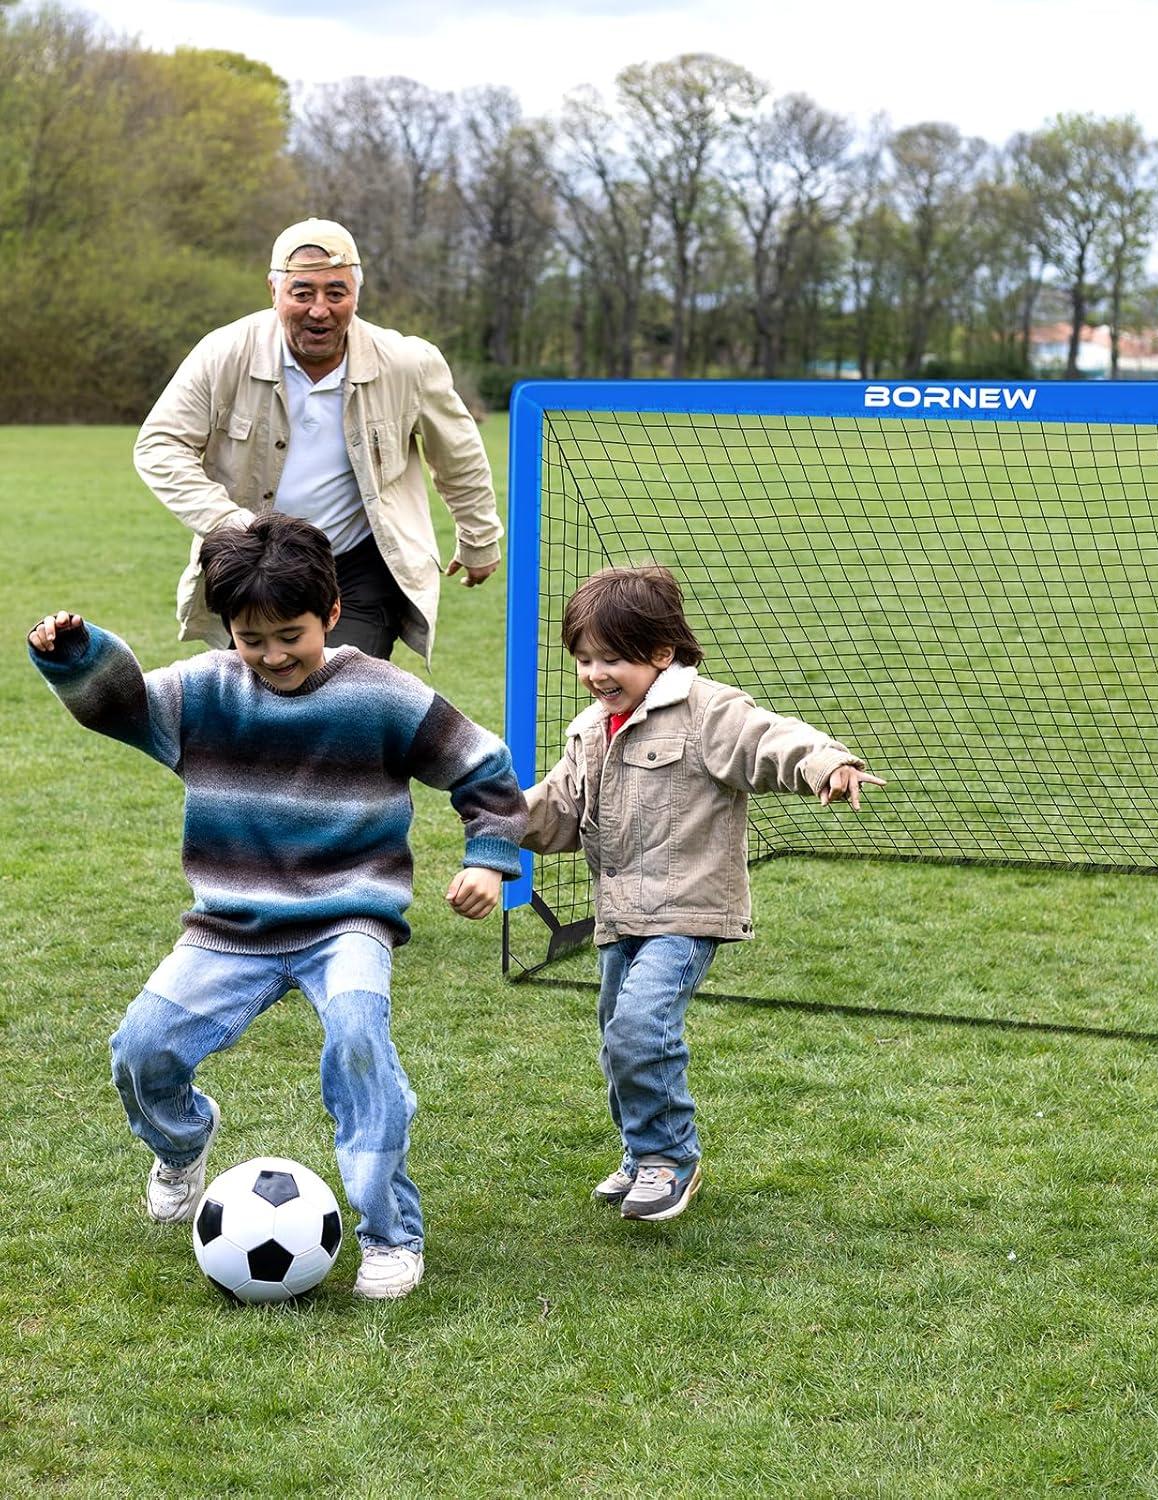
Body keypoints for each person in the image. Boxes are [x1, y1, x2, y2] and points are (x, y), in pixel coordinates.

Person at [27, 514, 525, 1300]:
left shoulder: (383, 695)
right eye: (250, 638)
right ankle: (183, 1141)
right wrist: (77, 654)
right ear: (228, 630)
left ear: (330, 613)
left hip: (345, 918)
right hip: (231, 923)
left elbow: (483, 767)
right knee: (140, 1051)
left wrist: (490, 860)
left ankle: (392, 1234)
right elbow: (118, 705)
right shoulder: (205, 691)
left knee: (361, 1040)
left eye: (289, 634)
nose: (271, 655)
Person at [522, 565, 885, 1222]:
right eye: (583, 659)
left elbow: (774, 740)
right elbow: (560, 813)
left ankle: (670, 1159)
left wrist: (827, 762)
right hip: (620, 915)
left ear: (662, 654)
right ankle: (640, 1156)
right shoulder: (589, 730)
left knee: (640, 1026)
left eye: (613, 659)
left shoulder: (708, 713)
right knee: (617, 1036)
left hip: (688, 912)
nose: (596, 674)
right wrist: (502, 815)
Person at [134, 218, 501, 665]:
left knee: (337, 692)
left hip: (356, 563)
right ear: (274, 292)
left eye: (336, 292)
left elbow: (458, 455)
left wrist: (479, 537)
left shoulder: (409, 363)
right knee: (257, 693)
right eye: (302, 293)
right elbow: (159, 445)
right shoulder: (223, 353)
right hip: (254, 562)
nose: (319, 309)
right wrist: (229, 521)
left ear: (356, 295)